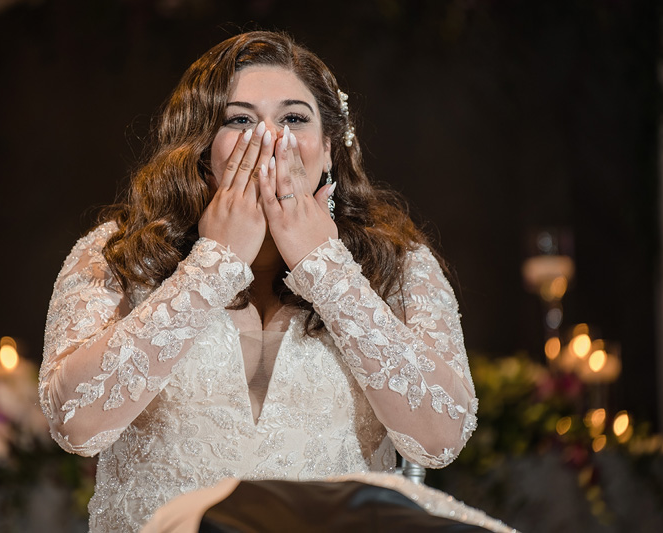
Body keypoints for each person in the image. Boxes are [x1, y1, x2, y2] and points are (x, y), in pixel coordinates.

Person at [39, 31, 478, 532]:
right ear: (200, 148)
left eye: (293, 118)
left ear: (329, 148)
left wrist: (324, 265)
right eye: (241, 120)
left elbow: (441, 436)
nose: (271, 141)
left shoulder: (399, 263)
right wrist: (213, 265)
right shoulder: (117, 252)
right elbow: (74, 423)